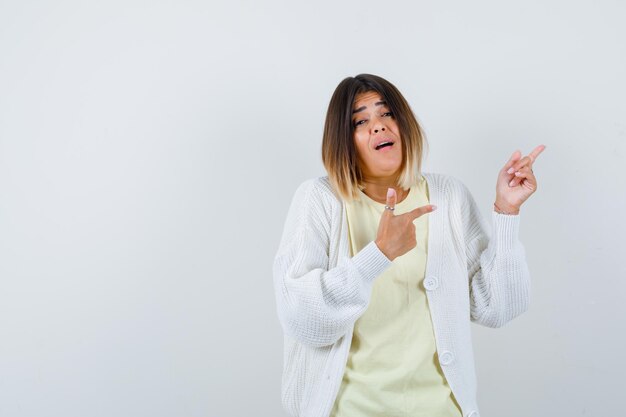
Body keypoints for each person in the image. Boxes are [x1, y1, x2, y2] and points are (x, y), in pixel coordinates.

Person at [272, 73, 545, 417]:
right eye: (360, 121)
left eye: (386, 113)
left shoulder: (448, 195)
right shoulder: (319, 200)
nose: (378, 126)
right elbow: (302, 319)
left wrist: (506, 211)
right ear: (342, 141)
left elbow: (498, 307)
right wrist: (378, 254)